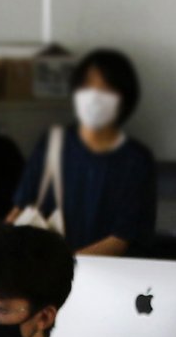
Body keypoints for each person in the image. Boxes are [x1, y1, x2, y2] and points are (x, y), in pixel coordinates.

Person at [11, 47, 158, 256]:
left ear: (124, 98)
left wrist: (66, 266)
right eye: (88, 85)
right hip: (45, 278)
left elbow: (123, 238)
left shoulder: (136, 161)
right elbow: (20, 208)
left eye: (106, 88)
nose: (95, 95)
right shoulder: (53, 142)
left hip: (106, 277)